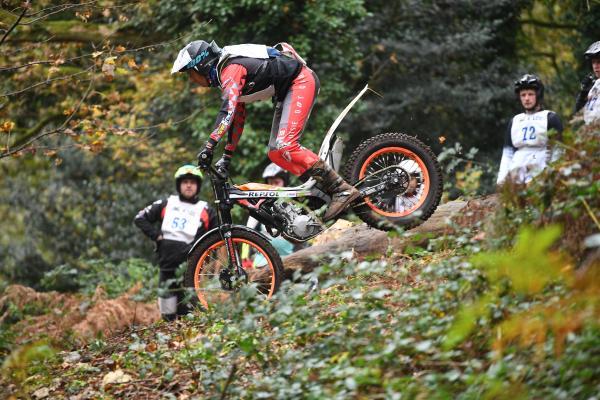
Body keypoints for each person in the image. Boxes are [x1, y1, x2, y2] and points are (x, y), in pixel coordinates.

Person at [170, 40, 360, 221]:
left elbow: (227, 110)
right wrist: (227, 156)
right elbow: (237, 117)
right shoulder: (224, 75)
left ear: (200, 66)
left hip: (300, 81)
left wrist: (209, 145)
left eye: (190, 73)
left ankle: (341, 188)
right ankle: (319, 188)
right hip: (286, 91)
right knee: (276, 153)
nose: (191, 79)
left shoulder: (230, 69)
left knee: (287, 145)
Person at [134, 165, 217, 321]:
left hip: (190, 269)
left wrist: (211, 262)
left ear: (198, 185)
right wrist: (157, 236)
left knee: (190, 311)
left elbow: (217, 237)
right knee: (167, 314)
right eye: (185, 181)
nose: (188, 185)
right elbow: (140, 218)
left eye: (192, 182)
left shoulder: (206, 209)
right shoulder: (166, 203)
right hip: (167, 266)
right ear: (179, 184)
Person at [496, 74, 563, 185]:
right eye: (523, 95)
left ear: (538, 95)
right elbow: (508, 154)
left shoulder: (550, 117)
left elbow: (559, 150)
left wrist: (552, 174)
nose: (526, 98)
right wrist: (501, 180)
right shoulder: (515, 121)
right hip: (516, 178)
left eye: (530, 94)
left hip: (541, 176)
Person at [244, 163, 295, 266]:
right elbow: (246, 233)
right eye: (270, 183)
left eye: (276, 182)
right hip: (263, 261)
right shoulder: (259, 206)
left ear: (285, 183)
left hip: (291, 259)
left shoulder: (294, 204)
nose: (273, 186)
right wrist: (245, 259)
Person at [575, 41, 600, 125]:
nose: (596, 66)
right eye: (593, 62)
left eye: (599, 62)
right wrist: (583, 94)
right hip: (590, 133)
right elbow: (578, 113)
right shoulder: (594, 85)